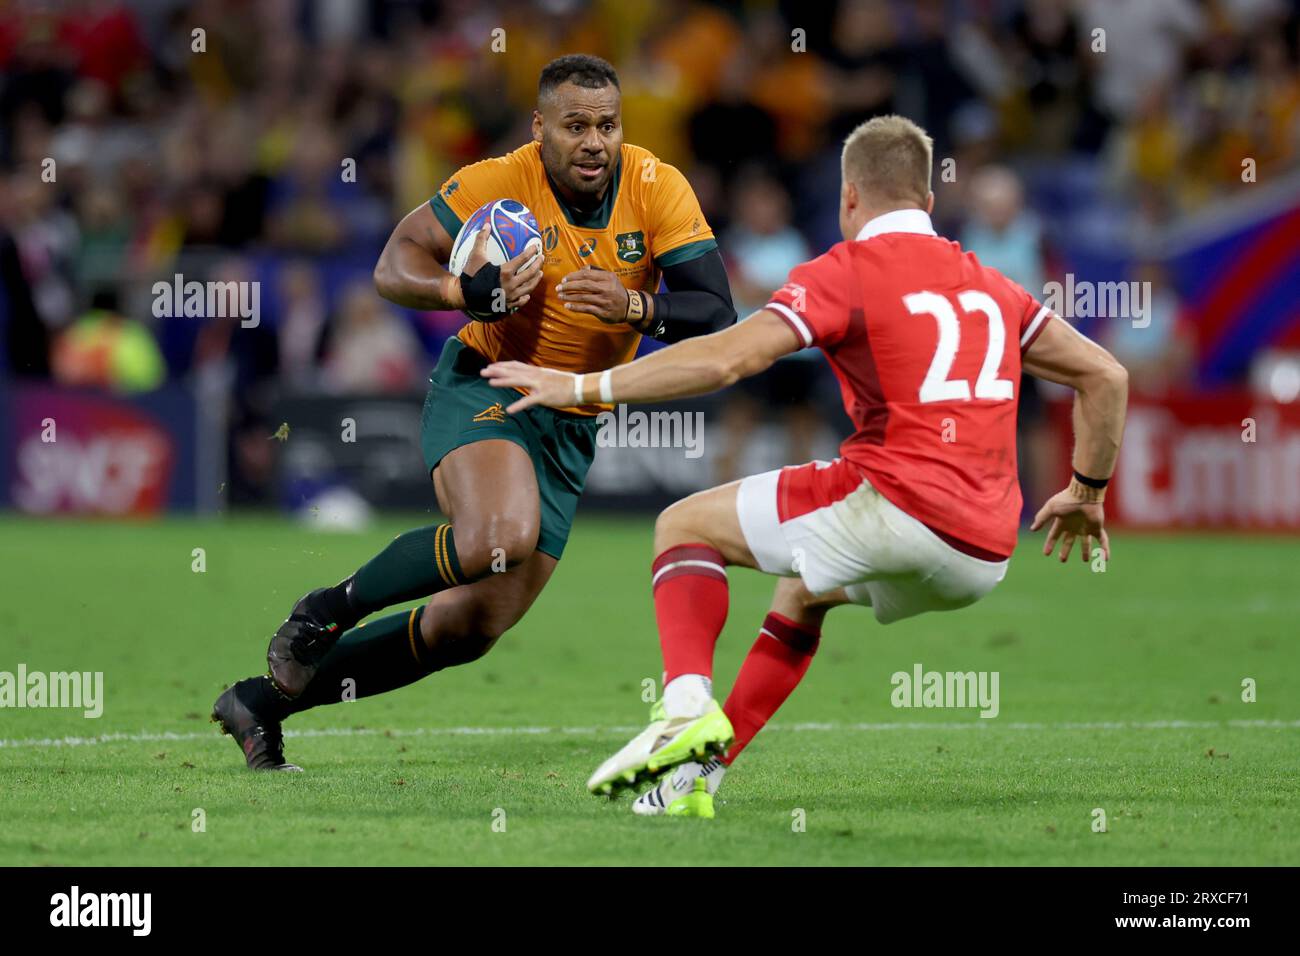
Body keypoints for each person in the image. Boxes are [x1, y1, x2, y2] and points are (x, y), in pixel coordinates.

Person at [483, 115, 1129, 817]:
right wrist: (1087, 491)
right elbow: (1106, 377)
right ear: (930, 201)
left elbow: (728, 356)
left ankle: (683, 709)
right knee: (801, 592)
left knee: (682, 526)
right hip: (985, 553)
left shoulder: (847, 270)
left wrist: (578, 387)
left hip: (899, 506)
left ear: (850, 198)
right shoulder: (994, 287)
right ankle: (700, 777)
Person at [212, 54, 736, 770]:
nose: (594, 142)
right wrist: (462, 293)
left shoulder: (655, 186)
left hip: (572, 418)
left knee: (473, 623)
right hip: (487, 384)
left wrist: (638, 305)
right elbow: (394, 264)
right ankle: (324, 610)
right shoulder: (498, 182)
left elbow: (715, 310)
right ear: (539, 127)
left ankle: (261, 705)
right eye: (575, 125)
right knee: (501, 532)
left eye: (607, 125)